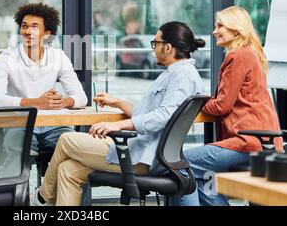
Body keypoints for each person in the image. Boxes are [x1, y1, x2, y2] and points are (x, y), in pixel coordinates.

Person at [30, 21, 205, 206]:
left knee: (66, 140)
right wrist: (118, 102)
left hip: (142, 157)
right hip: (142, 150)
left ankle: (42, 197)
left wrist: (117, 124)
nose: (153, 48)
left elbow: (163, 116)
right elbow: (147, 116)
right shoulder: (175, 73)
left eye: (156, 43)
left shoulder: (182, 76)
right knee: (68, 170)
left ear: (168, 48)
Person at [170, 6, 283, 206]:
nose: (214, 31)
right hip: (264, 142)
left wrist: (196, 104)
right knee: (205, 176)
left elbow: (222, 105)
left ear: (236, 29)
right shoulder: (250, 53)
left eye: (220, 25)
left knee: (179, 164)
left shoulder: (238, 56)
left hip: (248, 142)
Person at [0, 2, 88, 176]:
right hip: (21, 124)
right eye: (24, 26)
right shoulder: (6, 58)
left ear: (47, 33)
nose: (27, 31)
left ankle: (47, 197)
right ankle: (14, 197)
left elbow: (81, 97)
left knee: (78, 154)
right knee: (17, 157)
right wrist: (37, 103)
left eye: (35, 27)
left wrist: (63, 101)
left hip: (54, 125)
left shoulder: (58, 57)